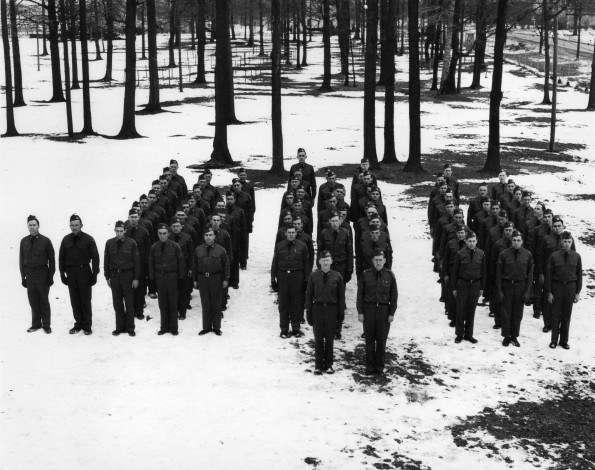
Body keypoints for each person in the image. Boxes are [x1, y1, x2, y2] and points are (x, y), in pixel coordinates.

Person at [356, 249, 398, 375]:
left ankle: (379, 367)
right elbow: (360, 295)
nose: (379, 262)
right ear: (373, 261)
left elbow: (394, 296)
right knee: (369, 340)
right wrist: (360, 312)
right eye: (376, 260)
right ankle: (369, 366)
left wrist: (391, 313)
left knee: (381, 340)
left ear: (384, 261)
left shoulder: (390, 276)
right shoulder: (365, 275)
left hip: (383, 311)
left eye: (381, 260)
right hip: (369, 310)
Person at [305, 251, 346, 375]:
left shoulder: (337, 276)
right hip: (317, 309)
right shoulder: (313, 276)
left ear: (331, 261)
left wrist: (340, 313)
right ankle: (318, 365)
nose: (326, 262)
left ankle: (328, 365)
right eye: (323, 260)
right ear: (319, 262)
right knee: (318, 339)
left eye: (328, 260)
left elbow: (341, 297)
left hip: (331, 310)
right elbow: (309, 294)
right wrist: (309, 311)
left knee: (329, 338)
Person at [59, 214, 100, 335]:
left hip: (84, 273)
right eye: (72, 225)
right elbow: (61, 258)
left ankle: (87, 326)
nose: (74, 227)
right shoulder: (66, 240)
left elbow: (95, 257)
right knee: (75, 300)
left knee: (85, 300)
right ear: (69, 226)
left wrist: (94, 274)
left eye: (76, 225)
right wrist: (62, 274)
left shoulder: (89, 239)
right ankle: (78, 324)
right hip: (71, 274)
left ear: (81, 225)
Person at [271, 226, 311, 338]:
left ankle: (296, 328)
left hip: (297, 276)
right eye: (289, 232)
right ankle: (284, 329)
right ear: (285, 233)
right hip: (283, 276)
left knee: (296, 304)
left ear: (296, 233)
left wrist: (306, 280)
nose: (291, 234)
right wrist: (273, 279)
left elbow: (306, 264)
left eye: (293, 232)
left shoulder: (302, 246)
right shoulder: (279, 246)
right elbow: (275, 262)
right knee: (283, 304)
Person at [496, 230, 534, 347]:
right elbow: (498, 274)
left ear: (522, 241)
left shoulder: (527, 255)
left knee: (518, 313)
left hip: (520, 286)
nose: (516, 242)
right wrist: (500, 291)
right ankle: (506, 336)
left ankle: (514, 336)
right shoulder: (504, 254)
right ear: (511, 241)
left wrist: (528, 292)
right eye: (514, 240)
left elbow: (530, 275)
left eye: (518, 240)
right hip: (507, 286)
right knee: (506, 312)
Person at [545, 231, 582, 349]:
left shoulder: (576, 256)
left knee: (566, 315)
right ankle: (554, 340)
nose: (566, 244)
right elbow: (549, 275)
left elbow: (579, 275)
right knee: (555, 314)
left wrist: (577, 292)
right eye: (565, 242)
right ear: (561, 242)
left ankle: (564, 340)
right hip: (557, 287)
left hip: (570, 287)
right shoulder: (554, 256)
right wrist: (549, 292)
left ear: (572, 242)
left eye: (569, 242)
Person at [104, 221, 141, 337]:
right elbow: (106, 261)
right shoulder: (109, 243)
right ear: (114, 230)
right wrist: (107, 276)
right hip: (115, 276)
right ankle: (119, 327)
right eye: (117, 231)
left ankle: (130, 328)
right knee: (117, 303)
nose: (119, 233)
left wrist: (135, 278)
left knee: (129, 303)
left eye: (121, 231)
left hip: (127, 276)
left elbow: (137, 262)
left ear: (125, 231)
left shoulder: (131, 243)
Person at [19, 215, 55, 334]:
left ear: (38, 226)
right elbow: (21, 260)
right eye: (30, 225)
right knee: (33, 300)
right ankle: (35, 324)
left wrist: (50, 277)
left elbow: (52, 260)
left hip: (42, 273)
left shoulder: (46, 240)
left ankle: (46, 325)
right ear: (27, 226)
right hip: (30, 274)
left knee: (44, 300)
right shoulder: (24, 241)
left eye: (34, 225)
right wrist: (23, 277)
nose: (32, 227)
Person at [148, 223, 185, 335]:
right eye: (160, 233)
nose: (162, 236)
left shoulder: (175, 246)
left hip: (172, 277)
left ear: (169, 234)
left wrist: (181, 279)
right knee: (162, 303)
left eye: (164, 233)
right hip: (160, 278)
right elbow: (151, 264)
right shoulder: (154, 247)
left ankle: (174, 328)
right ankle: (164, 327)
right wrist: (152, 279)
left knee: (173, 303)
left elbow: (181, 263)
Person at [193, 225, 230, 336]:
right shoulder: (198, 249)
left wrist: (225, 279)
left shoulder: (221, 250)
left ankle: (217, 327)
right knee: (205, 303)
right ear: (204, 237)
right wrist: (194, 279)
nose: (208, 237)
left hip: (216, 278)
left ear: (214, 237)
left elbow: (226, 265)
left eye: (210, 235)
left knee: (216, 303)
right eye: (206, 235)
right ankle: (206, 327)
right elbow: (194, 265)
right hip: (203, 278)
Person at [452, 232, 486, 344]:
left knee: (471, 310)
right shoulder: (460, 254)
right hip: (463, 284)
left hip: (475, 285)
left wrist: (482, 288)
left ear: (476, 241)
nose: (472, 243)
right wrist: (454, 288)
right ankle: (459, 334)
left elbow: (484, 272)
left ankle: (469, 334)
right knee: (461, 310)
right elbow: (455, 272)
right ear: (466, 241)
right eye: (470, 241)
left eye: (474, 241)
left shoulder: (481, 254)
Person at [125, 209, 151, 319]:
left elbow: (148, 250)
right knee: (128, 290)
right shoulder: (125, 231)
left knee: (140, 289)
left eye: (136, 217)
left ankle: (139, 311)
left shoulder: (144, 232)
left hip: (140, 265)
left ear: (139, 218)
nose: (134, 219)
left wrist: (146, 267)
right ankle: (130, 311)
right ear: (128, 217)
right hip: (127, 264)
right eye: (132, 217)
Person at [170, 218, 194, 320]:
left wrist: (190, 268)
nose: (176, 228)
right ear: (171, 227)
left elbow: (191, 254)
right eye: (174, 226)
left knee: (183, 292)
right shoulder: (167, 237)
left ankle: (182, 312)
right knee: (173, 292)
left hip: (183, 268)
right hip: (171, 269)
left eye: (177, 226)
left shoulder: (187, 238)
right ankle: (174, 312)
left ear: (181, 227)